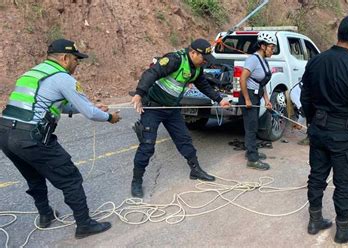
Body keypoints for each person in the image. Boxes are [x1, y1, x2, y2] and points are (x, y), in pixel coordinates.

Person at [0, 39, 121, 239]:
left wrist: (89, 108)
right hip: (31, 137)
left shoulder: (33, 73)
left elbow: (53, 104)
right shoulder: (63, 78)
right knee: (71, 178)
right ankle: (84, 225)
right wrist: (110, 117)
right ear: (65, 58)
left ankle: (46, 215)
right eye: (76, 59)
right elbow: (91, 113)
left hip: (5, 134)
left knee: (34, 176)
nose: (78, 63)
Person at [301, 14, 348, 244]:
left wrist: (313, 122)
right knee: (345, 183)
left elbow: (305, 98)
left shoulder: (315, 61)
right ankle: (343, 230)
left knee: (317, 176)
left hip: (318, 129)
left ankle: (315, 220)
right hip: (343, 135)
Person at [130, 39, 231, 197]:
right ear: (193, 53)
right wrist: (139, 94)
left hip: (172, 109)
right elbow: (152, 73)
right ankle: (136, 181)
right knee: (147, 145)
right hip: (153, 107)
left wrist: (219, 100)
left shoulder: (197, 68)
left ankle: (195, 170)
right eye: (203, 58)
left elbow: (203, 85)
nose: (205, 62)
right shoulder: (175, 60)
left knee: (184, 139)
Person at [238, 32, 276, 170]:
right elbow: (242, 79)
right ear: (262, 46)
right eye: (271, 47)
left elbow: (262, 82)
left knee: (254, 125)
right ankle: (252, 159)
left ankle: (251, 151)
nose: (273, 50)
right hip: (248, 96)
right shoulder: (253, 60)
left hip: (257, 95)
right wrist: (247, 99)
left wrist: (267, 100)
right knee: (251, 127)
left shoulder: (264, 61)